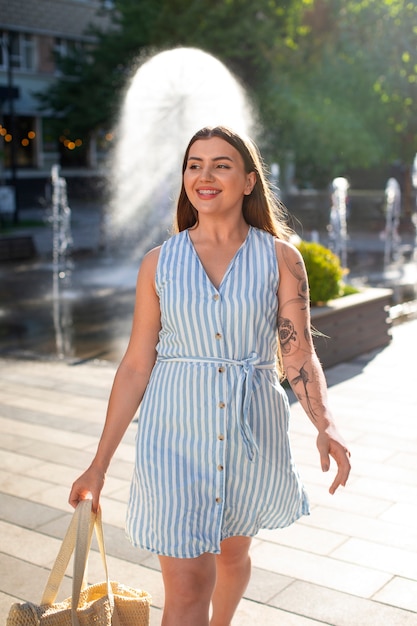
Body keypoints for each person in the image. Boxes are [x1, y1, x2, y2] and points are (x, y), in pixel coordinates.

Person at [69, 125, 351, 626]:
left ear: (247, 181)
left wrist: (325, 424)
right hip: (173, 435)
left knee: (232, 557)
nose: (205, 174)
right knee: (187, 585)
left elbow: (298, 354)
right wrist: (98, 464)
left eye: (221, 164)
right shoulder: (159, 263)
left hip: (249, 435)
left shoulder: (282, 259)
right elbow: (137, 364)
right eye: (194, 164)